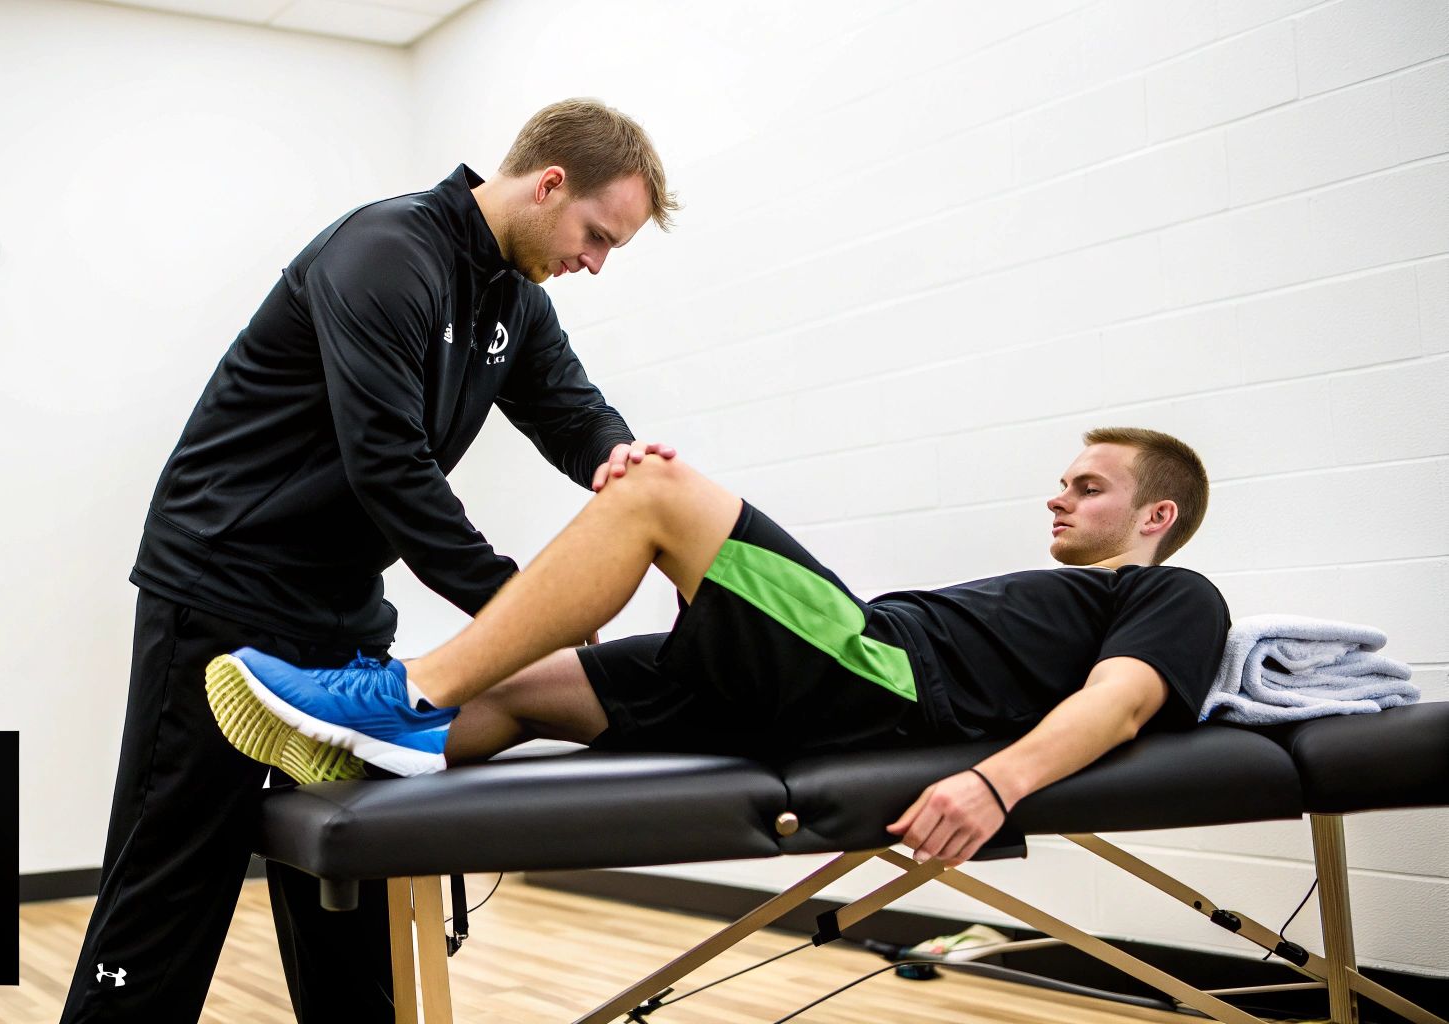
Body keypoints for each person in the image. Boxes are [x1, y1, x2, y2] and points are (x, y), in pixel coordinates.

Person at [61, 99, 680, 1024]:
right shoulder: (388, 251)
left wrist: (618, 462)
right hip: (222, 590)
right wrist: (522, 607)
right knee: (174, 881)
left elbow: (569, 407)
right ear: (549, 184)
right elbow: (389, 466)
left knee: (350, 879)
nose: (593, 262)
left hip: (340, 613)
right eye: (597, 236)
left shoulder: (514, 297)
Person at [212, 427, 1230, 867]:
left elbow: (1122, 701)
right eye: (1062, 479)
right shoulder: (1048, 588)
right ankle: (339, 749)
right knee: (526, 687)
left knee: (657, 488)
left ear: (1157, 515)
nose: (1057, 493)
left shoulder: (1173, 592)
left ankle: (401, 693)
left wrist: (994, 785)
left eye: (1087, 486)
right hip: (813, 683)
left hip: (879, 674)